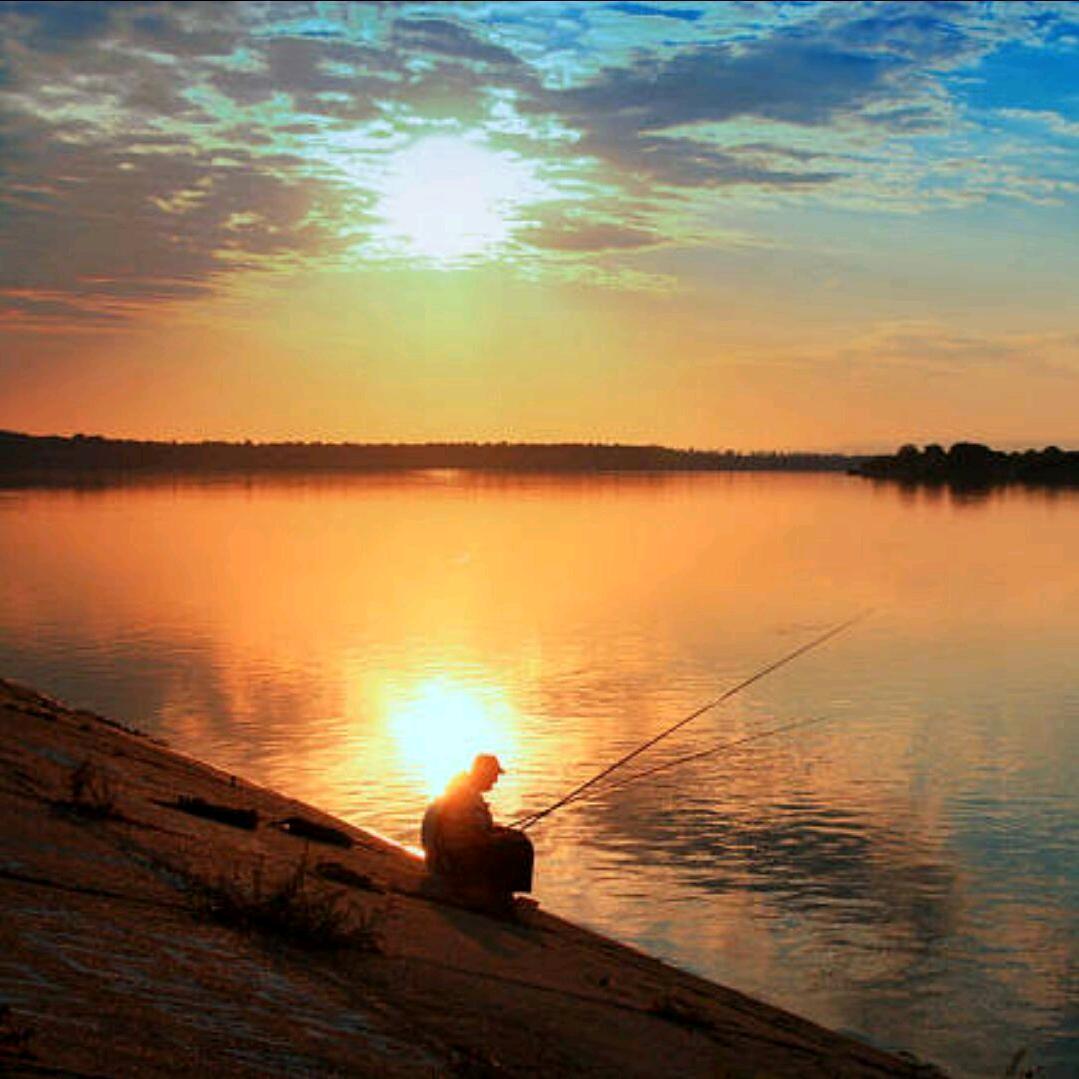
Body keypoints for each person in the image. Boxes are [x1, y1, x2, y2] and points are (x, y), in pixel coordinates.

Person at [421, 753, 534, 909]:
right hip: (452, 861)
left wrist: (497, 832)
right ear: (484, 773)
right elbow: (470, 838)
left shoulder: (464, 791)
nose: (495, 780)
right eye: (494, 775)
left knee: (512, 838)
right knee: (520, 845)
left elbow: (467, 828)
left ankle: (496, 892)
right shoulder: (465, 796)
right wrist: (498, 837)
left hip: (446, 855)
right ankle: (497, 896)